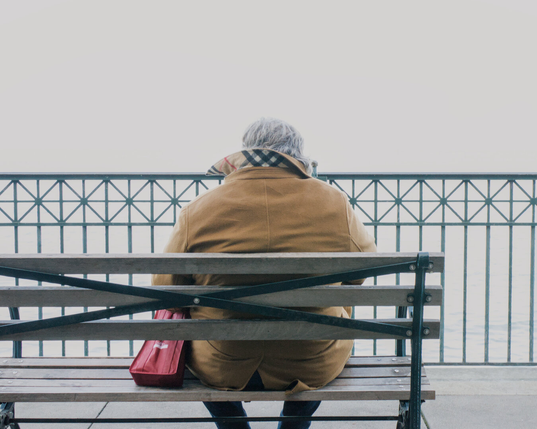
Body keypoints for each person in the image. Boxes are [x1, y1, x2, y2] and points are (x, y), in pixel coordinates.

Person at [152, 117, 377, 429]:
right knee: (336, 317)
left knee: (196, 331)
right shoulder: (333, 201)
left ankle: (234, 426)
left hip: (222, 362)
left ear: (246, 152)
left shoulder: (198, 208)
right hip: (310, 361)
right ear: (298, 156)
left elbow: (168, 293)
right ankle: (293, 425)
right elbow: (360, 274)